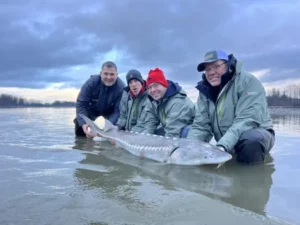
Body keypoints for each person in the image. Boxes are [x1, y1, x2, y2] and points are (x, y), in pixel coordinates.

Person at [187, 50, 275, 164]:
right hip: (226, 143)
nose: (211, 72)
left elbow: (247, 120)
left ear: (228, 65)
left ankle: (251, 176)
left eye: (216, 66)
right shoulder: (204, 91)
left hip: (256, 135)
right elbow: (201, 126)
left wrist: (222, 146)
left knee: (251, 141)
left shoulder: (248, 81)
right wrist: (187, 148)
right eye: (208, 69)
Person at [74, 61, 125, 138]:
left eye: (112, 74)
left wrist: (108, 127)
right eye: (106, 74)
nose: (108, 77)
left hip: (110, 114)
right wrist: (84, 124)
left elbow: (118, 111)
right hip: (90, 112)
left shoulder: (121, 88)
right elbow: (81, 104)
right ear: (101, 73)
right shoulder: (91, 83)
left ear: (117, 75)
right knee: (80, 127)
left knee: (117, 131)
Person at [140, 67, 195, 138]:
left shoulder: (178, 102)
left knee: (186, 131)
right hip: (171, 129)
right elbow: (150, 123)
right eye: (149, 87)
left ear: (164, 85)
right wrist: (144, 138)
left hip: (189, 135)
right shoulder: (155, 101)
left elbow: (172, 133)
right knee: (154, 133)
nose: (152, 90)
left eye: (156, 85)